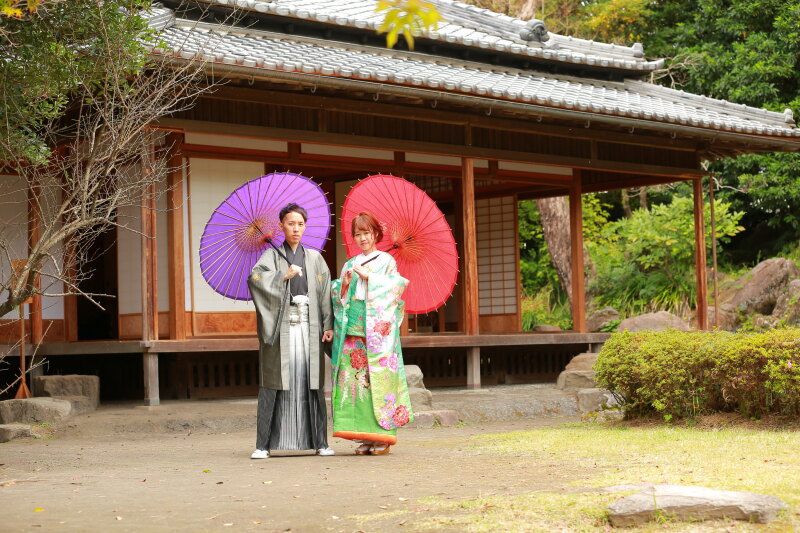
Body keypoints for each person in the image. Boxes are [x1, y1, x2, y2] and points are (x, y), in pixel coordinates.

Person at [247, 202, 335, 458]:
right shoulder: (271, 257)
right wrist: (282, 276)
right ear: (282, 226)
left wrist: (328, 324)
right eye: (290, 223)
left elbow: (326, 293)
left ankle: (320, 442)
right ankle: (263, 445)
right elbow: (254, 279)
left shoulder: (315, 259)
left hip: (310, 327)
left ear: (305, 226)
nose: (296, 229)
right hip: (282, 329)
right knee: (276, 380)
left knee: (312, 381)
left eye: (300, 224)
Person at [330, 211, 413, 455]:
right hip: (353, 333)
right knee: (356, 385)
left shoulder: (387, 261)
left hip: (377, 337)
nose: (363, 238)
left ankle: (383, 438)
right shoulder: (349, 263)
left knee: (378, 383)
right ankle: (363, 436)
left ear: (376, 233)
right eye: (358, 234)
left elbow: (395, 289)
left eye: (366, 233)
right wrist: (343, 283)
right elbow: (339, 295)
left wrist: (371, 278)